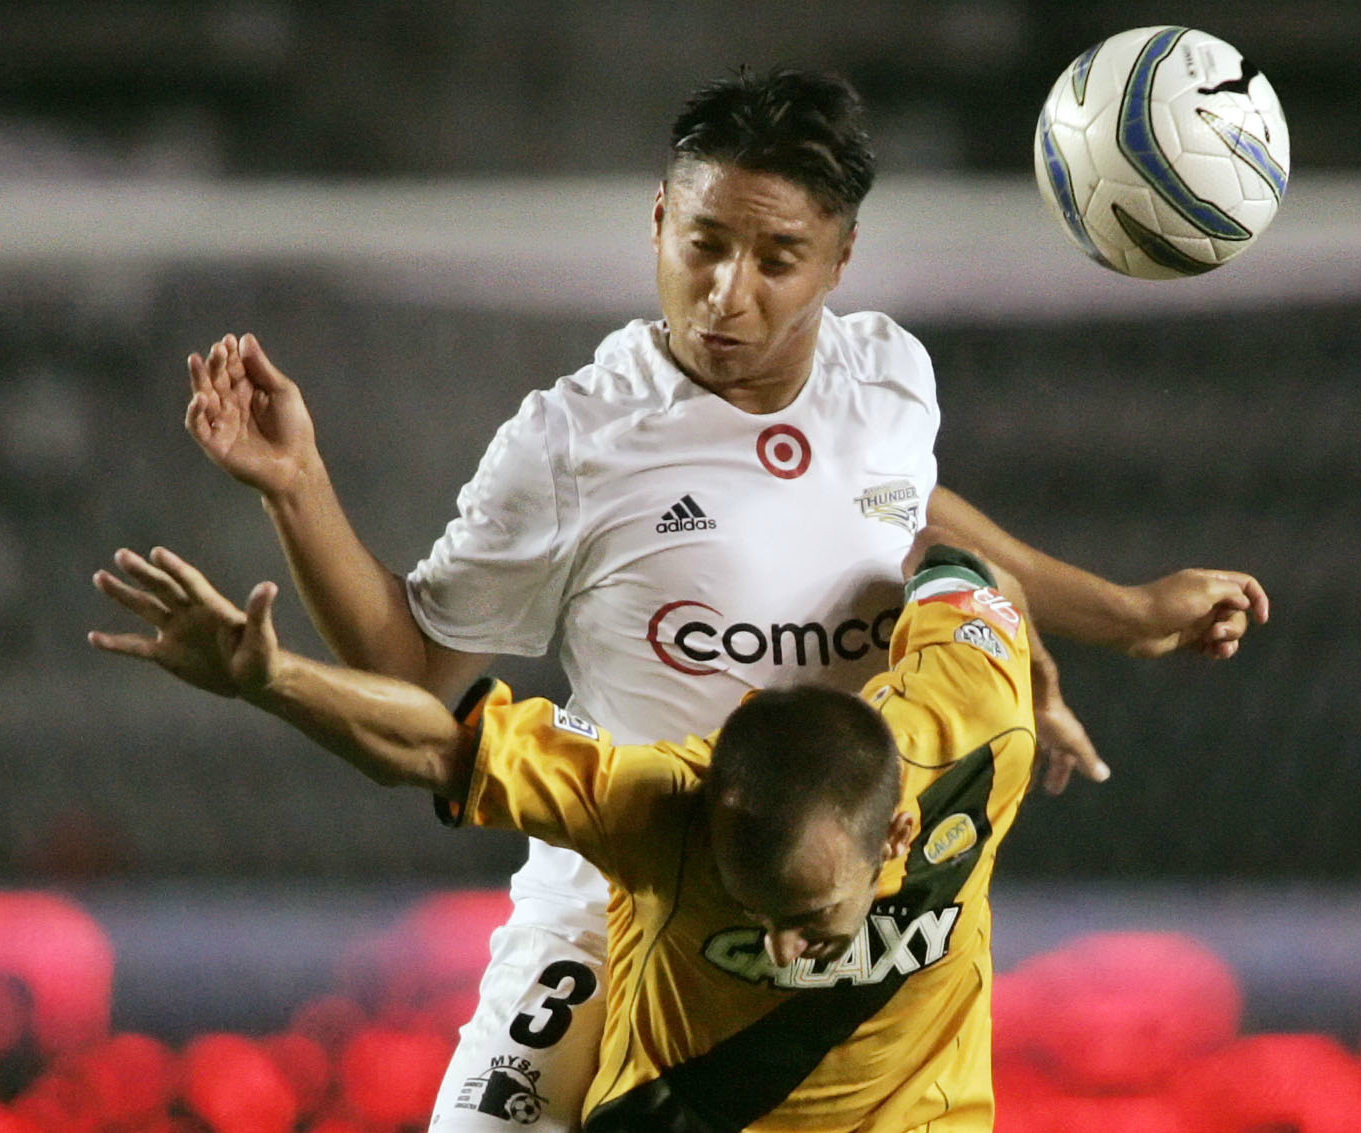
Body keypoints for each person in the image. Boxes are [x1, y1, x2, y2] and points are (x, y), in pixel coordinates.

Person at [178, 69, 1267, 1131]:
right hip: (623, 872)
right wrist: (300, 488)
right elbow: (411, 675)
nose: (724, 292)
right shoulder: (572, 444)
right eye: (701, 243)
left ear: (840, 258)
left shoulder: (888, 378)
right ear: (657, 221)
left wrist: (1095, 624)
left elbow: (908, 520)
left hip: (833, 880)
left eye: (776, 257)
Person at [89, 530, 1038, 1131]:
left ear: (898, 832)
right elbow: (434, 747)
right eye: (758, 914)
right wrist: (274, 680)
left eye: (807, 916)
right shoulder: (656, 805)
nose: (787, 950)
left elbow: (945, 561)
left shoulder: (980, 732)